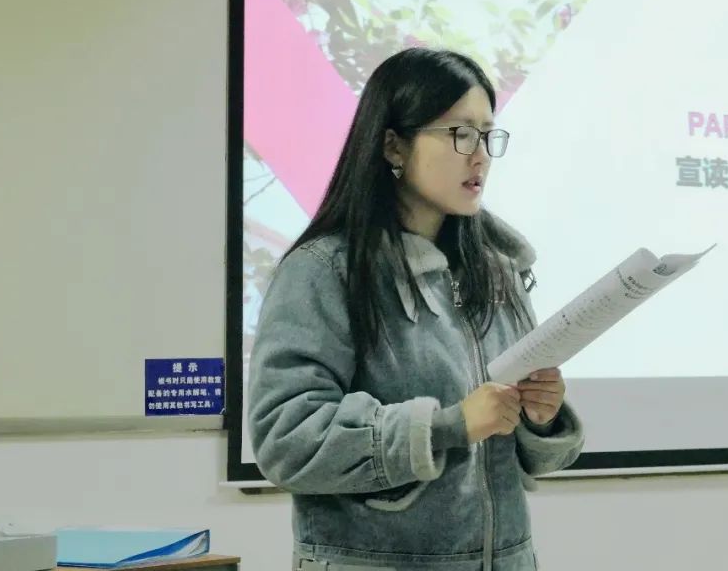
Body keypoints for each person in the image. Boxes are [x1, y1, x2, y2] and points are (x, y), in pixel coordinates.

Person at [247, 47, 584, 571]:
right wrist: (447, 426)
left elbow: (518, 455)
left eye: (488, 135)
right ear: (393, 145)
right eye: (460, 134)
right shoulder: (325, 271)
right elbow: (286, 439)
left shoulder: (498, 270)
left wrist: (540, 416)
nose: (480, 156)